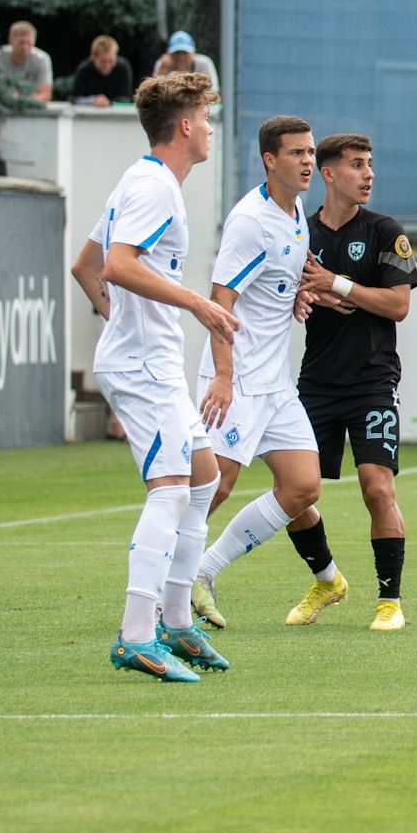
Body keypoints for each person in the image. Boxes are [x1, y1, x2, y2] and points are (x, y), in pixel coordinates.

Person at [67, 72, 240, 681]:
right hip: (146, 366)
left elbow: (84, 265)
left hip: (147, 357)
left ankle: (177, 623)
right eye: (206, 117)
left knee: (203, 478)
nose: (211, 128)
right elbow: (115, 265)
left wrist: (121, 325)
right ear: (186, 125)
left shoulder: (144, 180)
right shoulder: (154, 186)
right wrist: (192, 304)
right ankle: (136, 636)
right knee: (169, 490)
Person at [184, 117, 322, 631]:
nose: (307, 161)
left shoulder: (295, 208)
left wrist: (297, 293)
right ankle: (160, 592)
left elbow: (281, 271)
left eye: (310, 152)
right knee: (214, 487)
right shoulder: (249, 221)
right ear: (270, 160)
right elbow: (221, 301)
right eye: (296, 154)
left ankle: (204, 570)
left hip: (275, 383)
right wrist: (222, 377)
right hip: (237, 380)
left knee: (303, 485)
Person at [294, 133, 417, 632]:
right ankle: (326, 578)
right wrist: (308, 297)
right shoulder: (299, 234)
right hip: (316, 382)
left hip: (372, 380)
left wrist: (336, 284)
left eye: (370, 165)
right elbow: (285, 294)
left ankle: (389, 601)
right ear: (328, 174)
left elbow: (398, 305)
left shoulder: (386, 230)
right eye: (357, 165)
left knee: (376, 486)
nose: (369, 174)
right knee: (293, 492)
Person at [0, 20, 53, 106]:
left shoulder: (41, 59)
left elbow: (45, 94)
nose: (25, 47)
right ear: (11, 41)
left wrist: (23, 100)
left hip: (30, 108)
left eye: (29, 43)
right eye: (21, 43)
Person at [70, 35, 135, 106]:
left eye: (111, 61)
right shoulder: (84, 69)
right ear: (93, 57)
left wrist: (109, 102)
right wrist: (92, 100)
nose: (107, 65)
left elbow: (126, 98)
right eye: (103, 61)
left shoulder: (123, 68)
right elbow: (75, 98)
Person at [152, 30, 220, 88]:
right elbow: (153, 95)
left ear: (193, 52)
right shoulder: (162, 64)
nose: (181, 57)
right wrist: (162, 70)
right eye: (177, 53)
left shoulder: (204, 63)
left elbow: (212, 91)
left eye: (185, 53)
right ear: (168, 53)